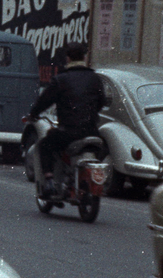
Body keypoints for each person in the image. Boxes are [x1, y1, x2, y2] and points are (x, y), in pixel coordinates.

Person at [28, 41, 106, 199]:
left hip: (69, 132)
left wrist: (33, 113)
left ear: (68, 58)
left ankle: (49, 181)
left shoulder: (61, 79)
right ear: (84, 57)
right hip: (92, 132)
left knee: (45, 144)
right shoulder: (95, 78)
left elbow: (44, 101)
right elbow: (101, 102)